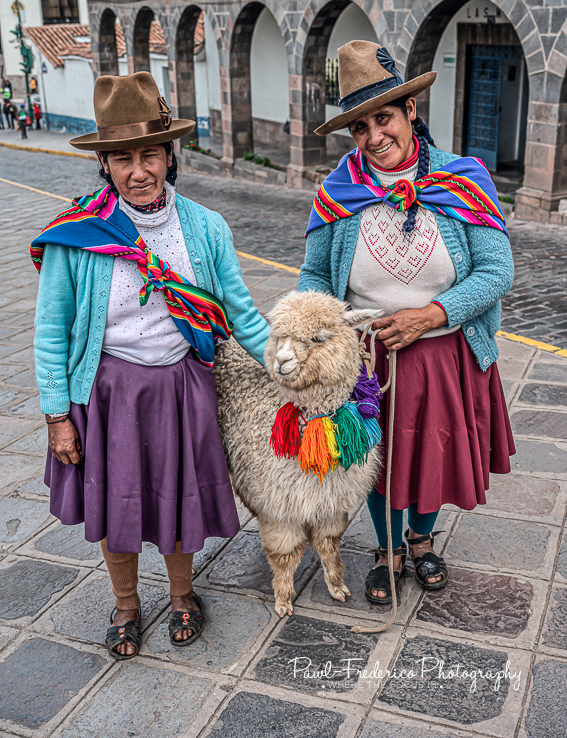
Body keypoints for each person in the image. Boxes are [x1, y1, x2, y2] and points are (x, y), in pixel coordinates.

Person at [32, 72, 270, 660]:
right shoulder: (77, 235)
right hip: (109, 392)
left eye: (149, 155)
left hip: (181, 386)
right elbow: (50, 329)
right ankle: (127, 604)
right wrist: (57, 415)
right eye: (122, 159)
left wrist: (293, 369)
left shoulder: (205, 228)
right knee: (118, 505)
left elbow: (241, 313)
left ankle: (184, 594)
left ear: (170, 155)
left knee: (175, 497)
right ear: (105, 165)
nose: (138, 171)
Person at [298, 41, 515, 605]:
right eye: (361, 127)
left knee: (432, 451)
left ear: (410, 112)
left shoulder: (462, 179)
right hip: (367, 357)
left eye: (384, 118)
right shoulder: (337, 193)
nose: (374, 137)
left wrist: (429, 315)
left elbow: (496, 270)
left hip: (444, 352)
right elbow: (315, 276)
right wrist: (322, 327)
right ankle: (386, 547)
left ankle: (420, 541)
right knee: (376, 458)